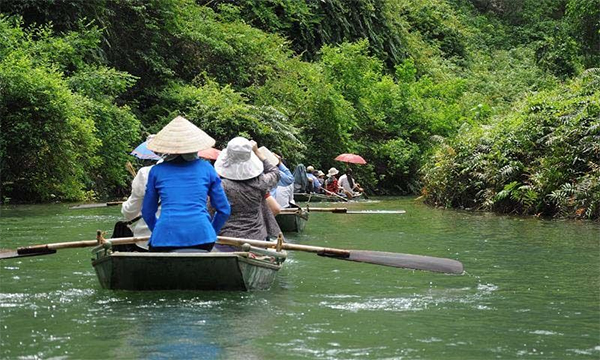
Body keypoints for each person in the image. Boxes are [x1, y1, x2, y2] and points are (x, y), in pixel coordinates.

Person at [142, 116, 231, 252]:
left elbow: (148, 212)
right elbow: (224, 209)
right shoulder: (207, 168)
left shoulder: (156, 171)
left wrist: (159, 231)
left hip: (165, 236)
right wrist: (211, 232)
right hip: (202, 236)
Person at [214, 137, 280, 242]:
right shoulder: (260, 182)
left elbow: (210, 211)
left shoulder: (220, 186)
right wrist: (258, 153)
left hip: (226, 239)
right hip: (257, 238)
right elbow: (275, 173)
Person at [120, 135, 161, 249]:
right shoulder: (202, 172)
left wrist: (124, 205)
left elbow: (129, 212)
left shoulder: (145, 173)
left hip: (148, 239)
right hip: (195, 239)